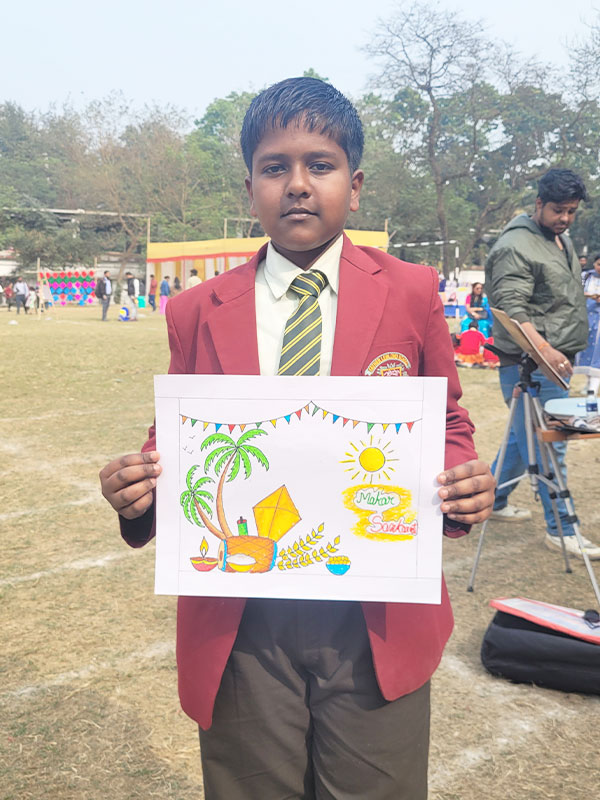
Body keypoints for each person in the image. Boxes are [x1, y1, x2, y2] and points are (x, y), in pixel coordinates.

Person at [99, 77, 494, 800]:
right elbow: (179, 437)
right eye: (275, 167)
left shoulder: (411, 291)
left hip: (376, 615)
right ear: (249, 188)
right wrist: (139, 491)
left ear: (356, 185)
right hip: (244, 621)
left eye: (321, 164)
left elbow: (447, 421)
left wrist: (460, 476)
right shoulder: (198, 309)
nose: (299, 184)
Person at [485, 168, 600, 558]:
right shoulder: (515, 245)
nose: (564, 218)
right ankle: (562, 529)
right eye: (557, 210)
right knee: (551, 444)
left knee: (523, 441)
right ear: (539, 204)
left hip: (557, 362)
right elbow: (511, 308)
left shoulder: (560, 238)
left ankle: (493, 500)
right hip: (531, 364)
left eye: (571, 211)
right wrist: (545, 350)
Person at [578, 253, 600, 366]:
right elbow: (576, 290)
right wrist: (588, 295)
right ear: (594, 264)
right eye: (599, 264)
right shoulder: (586, 276)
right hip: (585, 314)